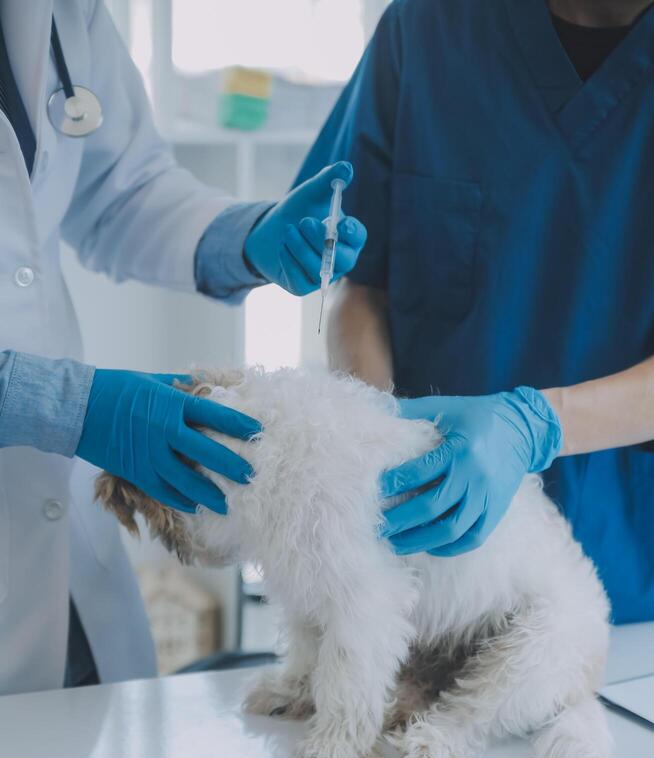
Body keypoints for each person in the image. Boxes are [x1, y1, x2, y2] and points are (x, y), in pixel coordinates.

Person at [0, 2, 366, 695]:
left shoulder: (58, 13)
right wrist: (59, 406)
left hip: (53, 552)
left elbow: (120, 189)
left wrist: (245, 238)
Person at [295, 0, 654, 625]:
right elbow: (361, 285)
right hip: (424, 557)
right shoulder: (427, 29)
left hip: (631, 580)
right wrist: (378, 437)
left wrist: (534, 425)